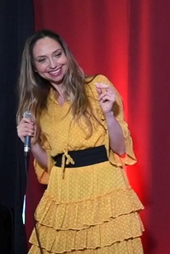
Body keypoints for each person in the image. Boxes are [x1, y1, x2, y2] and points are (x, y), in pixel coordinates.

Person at [16, 30, 144, 253]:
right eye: (42, 60)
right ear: (34, 68)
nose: (53, 64)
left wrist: (109, 115)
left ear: (66, 54)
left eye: (57, 54)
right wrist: (34, 143)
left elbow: (120, 148)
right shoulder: (38, 106)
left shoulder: (97, 86)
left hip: (103, 188)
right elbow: (50, 166)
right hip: (63, 196)